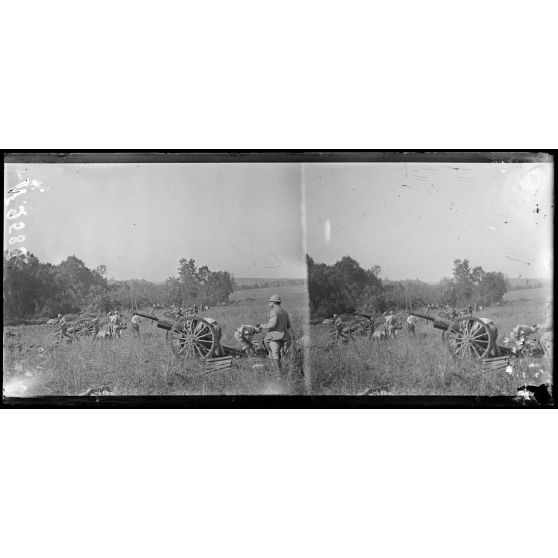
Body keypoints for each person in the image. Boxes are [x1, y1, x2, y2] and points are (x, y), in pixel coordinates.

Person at [258, 294, 292, 376]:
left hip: (275, 337)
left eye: (270, 301)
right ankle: (284, 372)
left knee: (275, 355)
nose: (269, 303)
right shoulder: (284, 312)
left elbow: (272, 325)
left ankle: (279, 376)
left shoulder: (273, 311)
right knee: (282, 356)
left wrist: (262, 325)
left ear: (273, 302)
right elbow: (288, 325)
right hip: (285, 337)